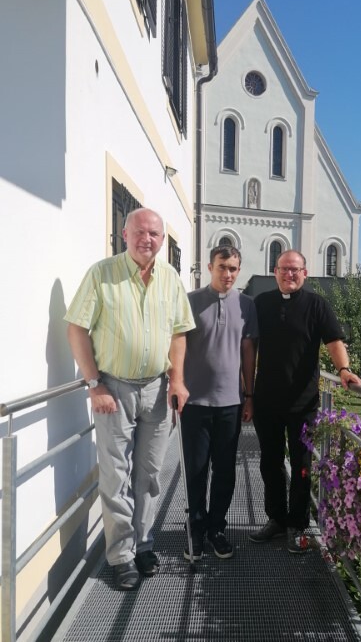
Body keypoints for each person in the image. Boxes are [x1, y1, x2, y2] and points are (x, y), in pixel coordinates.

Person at [65, 208, 195, 590]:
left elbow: (179, 333)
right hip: (114, 388)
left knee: (150, 474)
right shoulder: (101, 273)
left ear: (162, 240)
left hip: (157, 388)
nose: (146, 239)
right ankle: (121, 555)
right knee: (116, 474)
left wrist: (177, 380)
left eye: (154, 233)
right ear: (124, 234)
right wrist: (94, 384)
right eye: (139, 231)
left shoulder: (170, 278)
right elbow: (76, 329)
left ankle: (144, 544)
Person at [249, 250, 361, 553]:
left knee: (301, 465)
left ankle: (297, 524)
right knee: (270, 462)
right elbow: (248, 345)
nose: (289, 274)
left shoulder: (317, 305)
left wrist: (344, 370)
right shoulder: (261, 303)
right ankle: (276, 519)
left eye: (295, 270)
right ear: (275, 272)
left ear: (305, 273)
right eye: (284, 269)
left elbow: (334, 341)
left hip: (303, 403)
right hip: (267, 401)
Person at [181, 245, 258, 560]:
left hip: (231, 403)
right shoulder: (190, 301)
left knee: (225, 471)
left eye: (233, 268)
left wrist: (249, 395)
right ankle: (196, 530)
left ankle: (216, 529)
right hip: (194, 402)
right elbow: (177, 346)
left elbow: (248, 351)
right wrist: (176, 385)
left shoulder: (247, 305)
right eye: (222, 267)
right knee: (196, 470)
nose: (228, 274)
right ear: (210, 267)